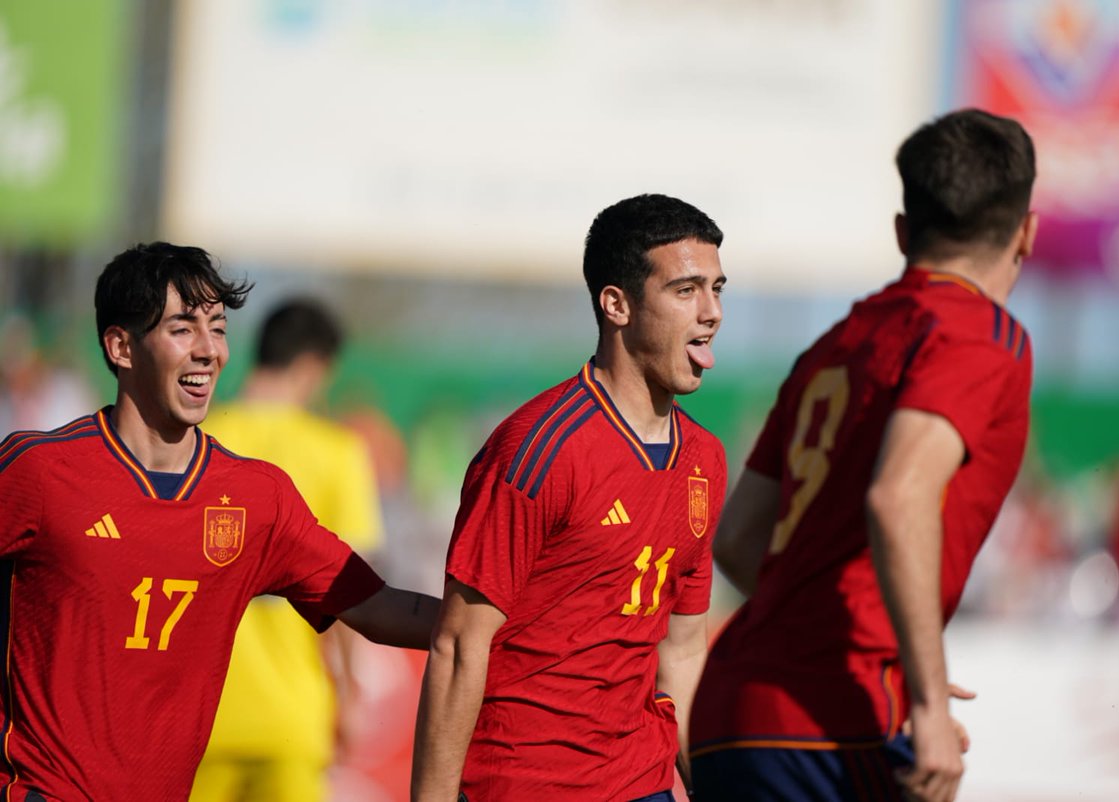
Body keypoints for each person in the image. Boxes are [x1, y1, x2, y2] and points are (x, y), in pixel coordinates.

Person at [0, 243, 439, 801]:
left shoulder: (257, 496)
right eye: (183, 328)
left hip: (253, 745)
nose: (209, 350)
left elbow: (377, 607)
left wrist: (506, 620)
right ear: (120, 346)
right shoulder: (38, 472)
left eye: (219, 328)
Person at [689, 108, 1039, 802]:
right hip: (837, 725)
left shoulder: (838, 342)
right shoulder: (979, 334)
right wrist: (929, 701)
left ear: (904, 234)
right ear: (1026, 233)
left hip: (733, 712)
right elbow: (899, 495)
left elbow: (736, 540)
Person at [411, 193, 729, 802]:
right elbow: (458, 644)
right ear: (617, 304)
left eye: (717, 288)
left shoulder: (705, 461)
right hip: (523, 785)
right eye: (686, 290)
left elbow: (682, 653)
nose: (712, 311)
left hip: (642, 782)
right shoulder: (537, 450)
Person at [189, 300, 385, 802]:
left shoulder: (196, 443)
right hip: (291, 718)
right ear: (313, 367)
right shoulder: (336, 451)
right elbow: (347, 592)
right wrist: (349, 694)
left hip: (195, 717)